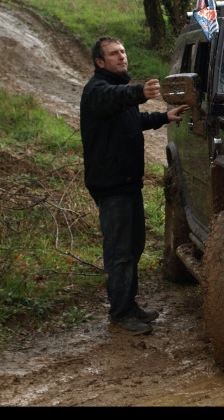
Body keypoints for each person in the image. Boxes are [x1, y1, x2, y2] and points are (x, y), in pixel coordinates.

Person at [80, 36, 189, 335]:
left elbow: (132, 121)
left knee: (134, 246)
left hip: (127, 185)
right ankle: (120, 313)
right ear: (99, 62)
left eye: (123, 51)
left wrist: (164, 117)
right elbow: (115, 100)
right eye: (114, 54)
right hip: (111, 186)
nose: (122, 56)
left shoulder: (117, 91)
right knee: (119, 252)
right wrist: (139, 91)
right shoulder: (98, 92)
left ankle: (129, 305)